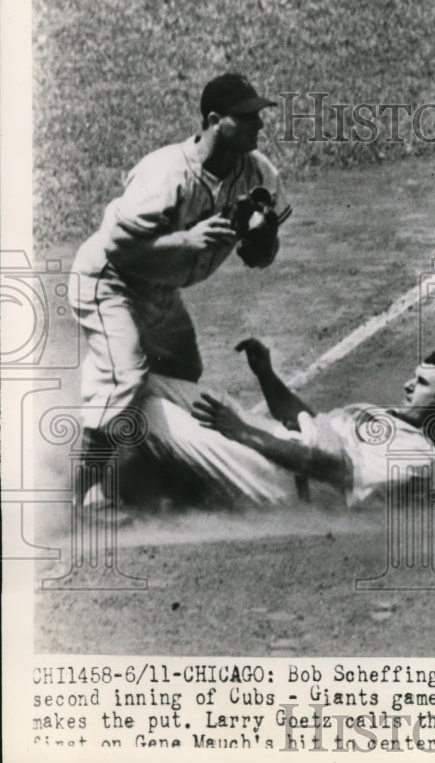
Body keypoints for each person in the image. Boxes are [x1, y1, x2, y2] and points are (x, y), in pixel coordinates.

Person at [70, 73, 288, 510]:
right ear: (213, 120)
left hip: (160, 289)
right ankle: (82, 490)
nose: (257, 125)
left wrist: (262, 243)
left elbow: (262, 256)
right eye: (245, 117)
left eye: (258, 116)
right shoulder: (165, 174)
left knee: (182, 374)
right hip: (108, 279)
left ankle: (150, 467)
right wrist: (186, 241)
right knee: (126, 375)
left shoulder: (259, 175)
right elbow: (117, 246)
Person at [127, 339, 435, 510]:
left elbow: (321, 464)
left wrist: (240, 432)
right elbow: (305, 419)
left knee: (149, 415)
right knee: (137, 382)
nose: (407, 385)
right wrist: (266, 375)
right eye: (413, 377)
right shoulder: (386, 417)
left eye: (422, 384)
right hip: (273, 440)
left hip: (277, 477)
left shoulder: (412, 458)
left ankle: (103, 497)